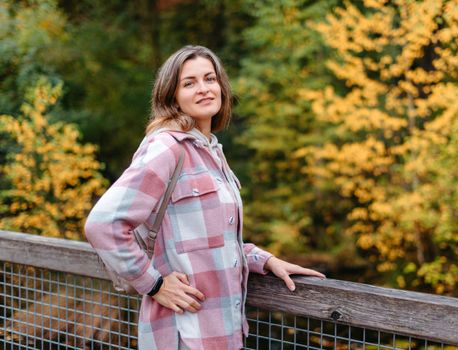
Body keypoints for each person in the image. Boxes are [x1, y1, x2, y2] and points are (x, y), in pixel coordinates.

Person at [84, 45, 325, 350]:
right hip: (182, 334)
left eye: (210, 79)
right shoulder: (167, 148)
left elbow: (208, 240)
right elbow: (103, 224)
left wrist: (265, 261)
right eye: (189, 83)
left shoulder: (211, 152)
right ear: (171, 96)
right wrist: (153, 284)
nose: (203, 89)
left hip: (222, 335)